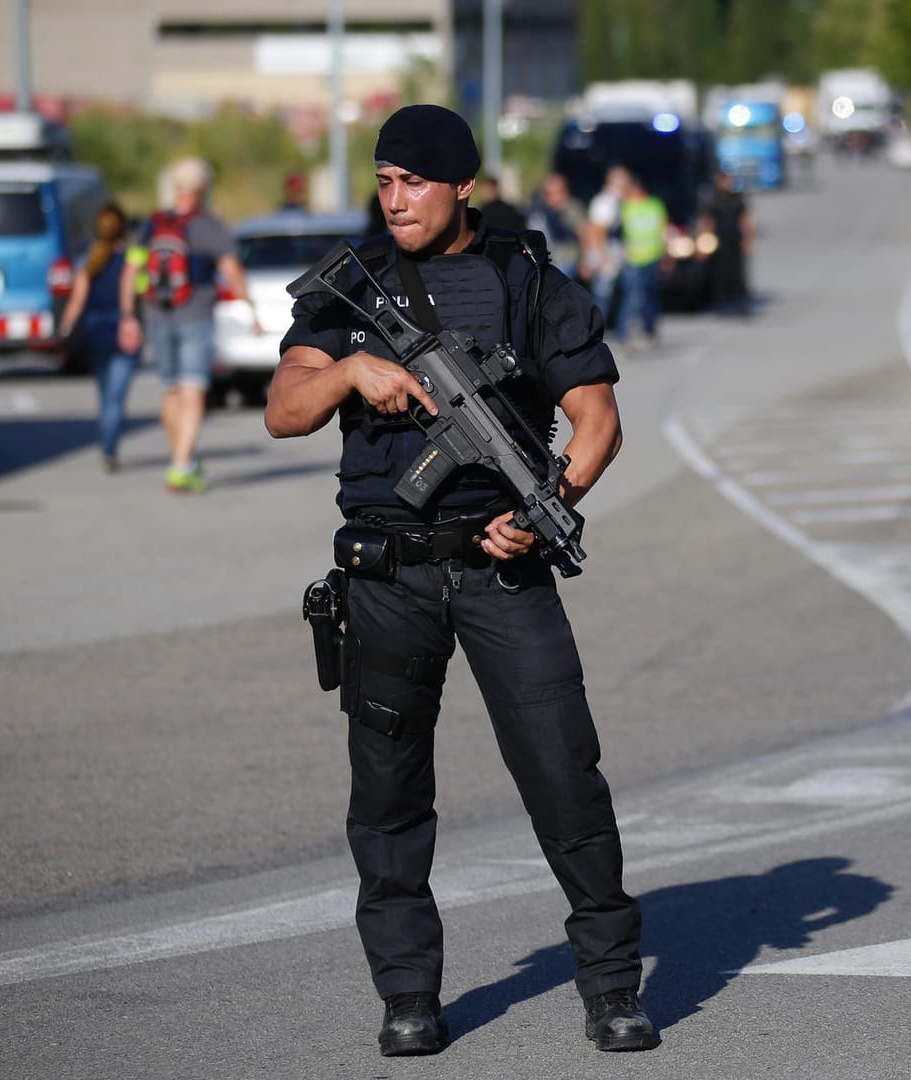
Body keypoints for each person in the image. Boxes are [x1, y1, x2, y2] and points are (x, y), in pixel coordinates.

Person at [263, 104, 656, 1057]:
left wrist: (542, 506)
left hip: (500, 573)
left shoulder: (526, 282)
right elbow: (284, 410)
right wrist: (356, 371)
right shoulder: (349, 291)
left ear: (463, 186)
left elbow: (596, 421)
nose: (395, 199)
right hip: (388, 575)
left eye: (415, 182)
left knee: (566, 778)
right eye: (384, 181)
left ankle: (611, 988)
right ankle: (408, 997)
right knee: (389, 796)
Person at [116, 157, 259, 493]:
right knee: (193, 391)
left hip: (157, 315)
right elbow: (231, 269)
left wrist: (128, 316)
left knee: (172, 391)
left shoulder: (151, 226)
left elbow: (131, 272)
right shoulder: (209, 226)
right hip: (195, 315)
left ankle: (184, 459)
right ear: (202, 188)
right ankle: (181, 466)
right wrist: (250, 308)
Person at [57, 203, 140, 472]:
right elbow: (130, 292)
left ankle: (107, 445)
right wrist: (130, 319)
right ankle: (109, 449)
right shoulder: (130, 259)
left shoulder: (87, 260)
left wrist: (65, 328)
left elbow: (77, 300)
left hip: (94, 331)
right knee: (116, 398)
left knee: (105, 395)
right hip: (120, 329)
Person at [615, 173, 667, 347]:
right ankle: (622, 333)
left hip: (653, 256)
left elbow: (663, 230)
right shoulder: (624, 207)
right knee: (633, 297)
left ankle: (650, 329)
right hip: (633, 260)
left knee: (651, 296)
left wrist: (666, 254)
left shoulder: (654, 205)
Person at [701, 171, 754, 316]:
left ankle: (741, 303)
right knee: (720, 273)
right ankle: (721, 304)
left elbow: (744, 218)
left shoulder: (736, 198)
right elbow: (708, 222)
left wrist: (747, 237)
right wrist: (705, 242)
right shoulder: (714, 200)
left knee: (738, 272)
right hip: (720, 240)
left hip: (734, 239)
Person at [582, 165, 629, 330]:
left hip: (609, 255)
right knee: (602, 298)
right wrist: (603, 258)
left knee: (610, 296)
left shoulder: (614, 200)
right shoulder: (606, 202)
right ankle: (596, 332)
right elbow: (596, 231)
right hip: (605, 256)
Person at [526, 171, 586, 278]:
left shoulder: (571, 209)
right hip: (546, 262)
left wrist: (584, 261)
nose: (548, 197)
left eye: (553, 193)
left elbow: (584, 234)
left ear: (564, 192)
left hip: (566, 260)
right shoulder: (540, 210)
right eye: (546, 193)